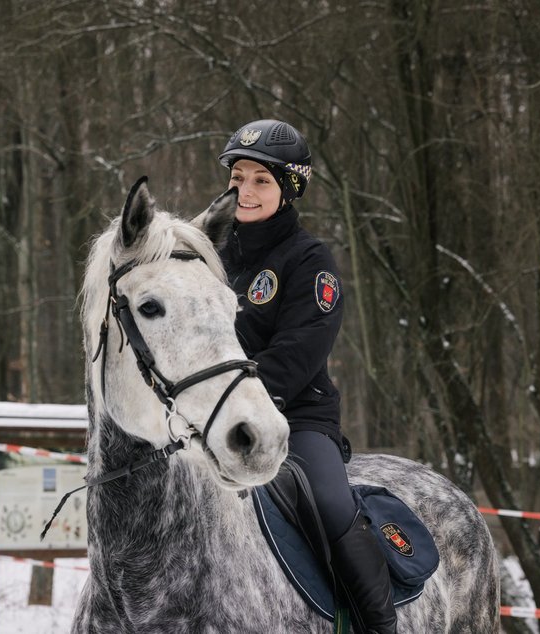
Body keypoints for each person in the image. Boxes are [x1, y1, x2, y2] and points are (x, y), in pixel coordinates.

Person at [216, 119, 397, 634]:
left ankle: (378, 622)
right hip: (210, 415)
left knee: (330, 500)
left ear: (288, 188)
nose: (244, 190)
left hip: (296, 416)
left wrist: (236, 400)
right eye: (238, 176)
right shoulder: (209, 253)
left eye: (261, 180)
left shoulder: (310, 260)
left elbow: (299, 351)